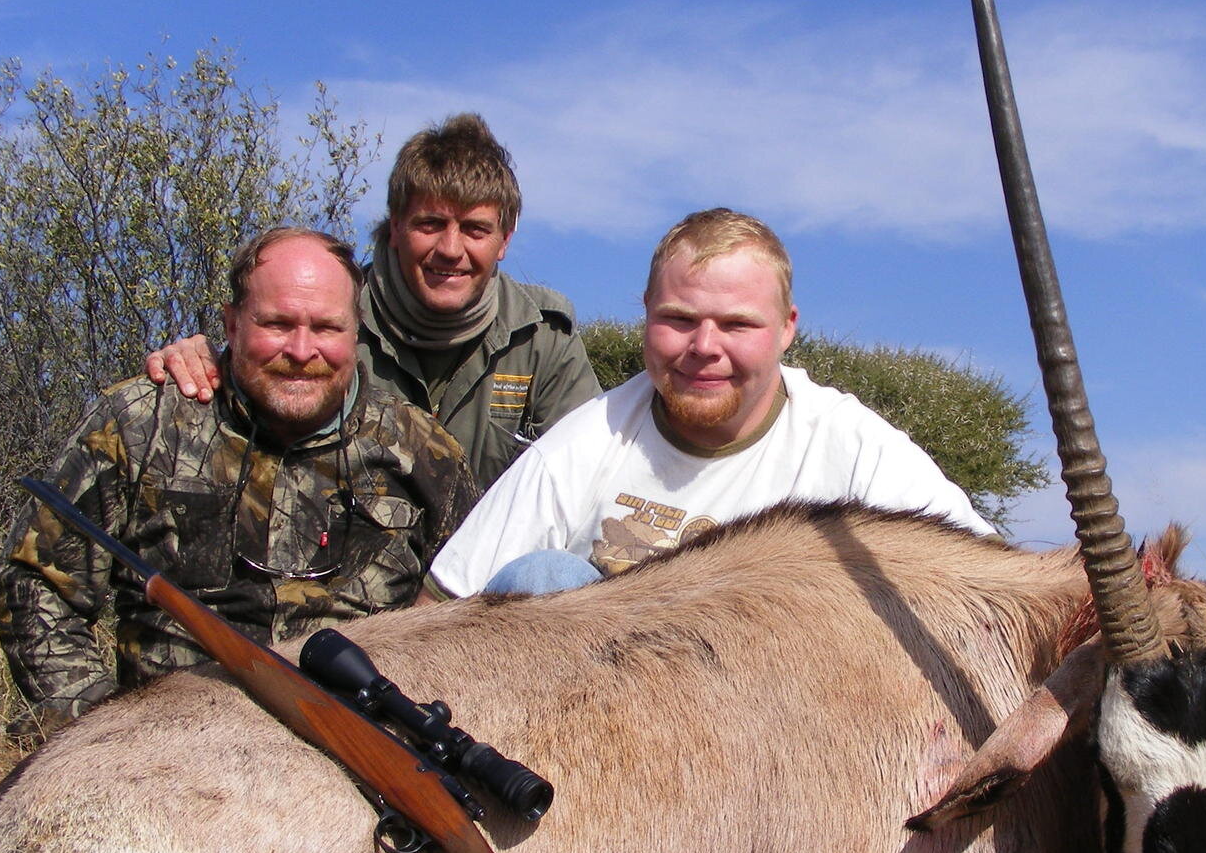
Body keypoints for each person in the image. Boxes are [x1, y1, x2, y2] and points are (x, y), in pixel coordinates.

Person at [0, 227, 479, 733]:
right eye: (276, 323)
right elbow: (37, 586)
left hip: (363, 752)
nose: (301, 349)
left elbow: (471, 621)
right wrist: (100, 729)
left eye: (327, 328)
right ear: (231, 324)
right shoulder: (141, 423)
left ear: (356, 333)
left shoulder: (423, 451)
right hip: (171, 752)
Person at [425, 208, 994, 599]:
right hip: (597, 726)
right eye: (679, 319)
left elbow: (989, 582)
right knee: (544, 577)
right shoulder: (587, 438)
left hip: (780, 726)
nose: (704, 348)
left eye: (736, 324)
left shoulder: (854, 447)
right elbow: (447, 600)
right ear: (646, 312)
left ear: (786, 328)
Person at [150, 114, 599, 487]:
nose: (450, 248)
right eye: (430, 223)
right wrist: (207, 363)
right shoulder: (327, 322)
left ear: (504, 240)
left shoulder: (544, 336)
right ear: (394, 226)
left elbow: (589, 475)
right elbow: (256, 395)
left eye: (475, 229)